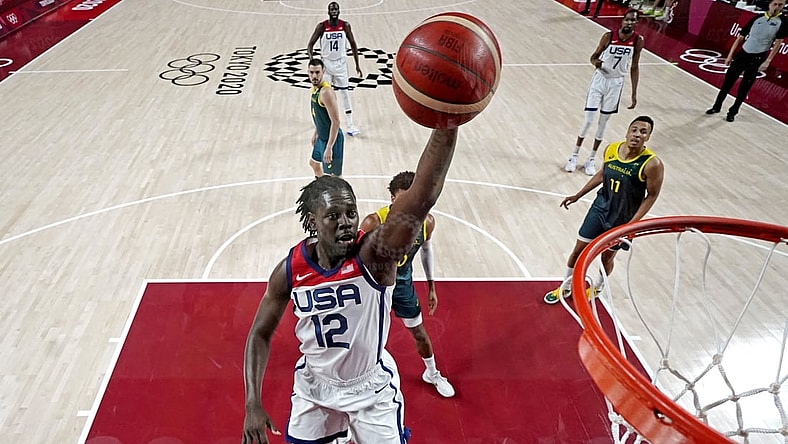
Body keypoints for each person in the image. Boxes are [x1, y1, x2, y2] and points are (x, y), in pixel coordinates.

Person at [241, 128, 459, 444]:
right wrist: (252, 402)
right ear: (313, 222)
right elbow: (259, 333)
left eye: (351, 213)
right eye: (333, 215)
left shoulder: (375, 254)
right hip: (314, 386)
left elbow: (421, 197)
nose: (346, 222)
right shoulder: (291, 269)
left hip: (368, 388)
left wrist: (447, 125)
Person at [545, 116, 664, 304]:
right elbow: (602, 174)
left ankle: (598, 287)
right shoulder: (611, 149)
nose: (637, 135)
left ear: (648, 138)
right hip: (600, 209)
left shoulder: (652, 164)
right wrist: (578, 194)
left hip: (622, 218)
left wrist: (633, 224)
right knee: (578, 250)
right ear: (627, 131)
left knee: (606, 257)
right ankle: (566, 287)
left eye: (643, 132)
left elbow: (651, 195)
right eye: (634, 129)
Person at [359, 171, 456, 398]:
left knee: (419, 333)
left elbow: (425, 250)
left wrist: (431, 286)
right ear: (392, 198)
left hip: (402, 285)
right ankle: (360, 378)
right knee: (366, 336)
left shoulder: (426, 222)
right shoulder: (374, 221)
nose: (408, 203)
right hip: (374, 287)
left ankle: (432, 373)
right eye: (402, 198)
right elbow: (354, 259)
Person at [565, 10, 643, 177]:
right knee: (588, 120)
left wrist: (634, 92)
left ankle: (591, 159)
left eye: (633, 21)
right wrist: (597, 63)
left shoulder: (637, 40)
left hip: (616, 83)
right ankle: (574, 155)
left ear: (636, 23)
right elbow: (593, 57)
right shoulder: (608, 36)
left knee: (603, 123)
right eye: (627, 20)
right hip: (600, 80)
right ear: (623, 20)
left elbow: (635, 66)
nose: (629, 23)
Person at [705, 0, 787, 122]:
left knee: (745, 87)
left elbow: (778, 43)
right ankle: (716, 106)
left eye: (781, 5)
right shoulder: (757, 18)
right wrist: (730, 55)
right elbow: (740, 37)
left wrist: (768, 61)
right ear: (770, 4)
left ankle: (733, 112)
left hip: (758, 57)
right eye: (775, 4)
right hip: (743, 54)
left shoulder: (783, 22)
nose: (777, 7)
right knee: (727, 82)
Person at [307, 1, 363, 136]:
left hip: (341, 64)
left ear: (339, 11)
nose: (334, 11)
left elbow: (353, 44)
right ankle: (321, 123)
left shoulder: (345, 26)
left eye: (336, 9)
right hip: (326, 63)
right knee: (324, 94)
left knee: (344, 93)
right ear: (328, 11)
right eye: (331, 9)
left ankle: (350, 125)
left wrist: (357, 64)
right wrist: (312, 62)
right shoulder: (322, 26)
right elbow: (310, 45)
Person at [308, 58, 344, 177]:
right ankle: (322, 191)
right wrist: (316, 132)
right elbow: (320, 116)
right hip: (322, 138)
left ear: (323, 71)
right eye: (311, 72)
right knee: (314, 163)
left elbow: (336, 122)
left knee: (334, 179)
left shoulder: (325, 92)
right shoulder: (315, 90)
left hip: (332, 141)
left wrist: (329, 147)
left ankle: (339, 195)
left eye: (317, 72)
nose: (314, 76)